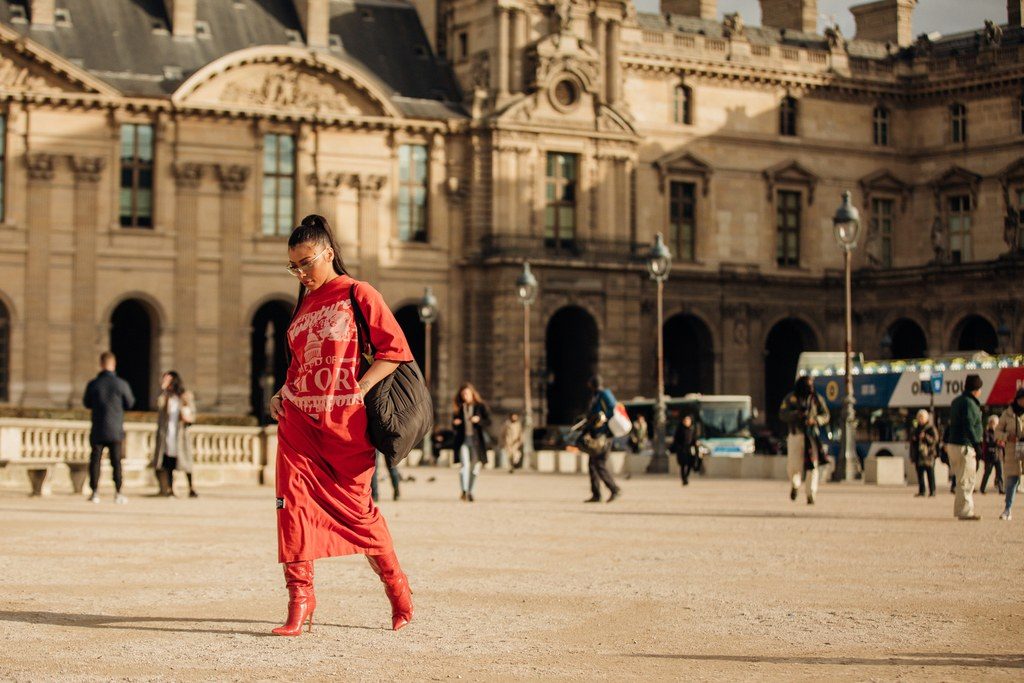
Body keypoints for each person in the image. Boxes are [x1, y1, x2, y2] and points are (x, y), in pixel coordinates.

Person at [268, 214, 414, 636]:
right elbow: (299, 362)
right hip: (298, 423)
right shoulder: (303, 303)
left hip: (344, 427)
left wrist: (360, 386)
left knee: (360, 513)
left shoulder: (358, 293)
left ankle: (397, 589)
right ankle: (300, 600)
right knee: (290, 510)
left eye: (306, 263)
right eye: (293, 267)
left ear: (328, 254)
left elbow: (395, 350)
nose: (300, 274)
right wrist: (281, 391)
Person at [82, 352, 135, 504]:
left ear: (101, 364)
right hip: (116, 429)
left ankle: (95, 492)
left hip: (98, 427)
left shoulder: (94, 384)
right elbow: (130, 403)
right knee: (116, 462)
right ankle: (118, 492)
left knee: (95, 461)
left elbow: (86, 403)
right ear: (114, 364)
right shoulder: (121, 384)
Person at [779, 376, 830, 505]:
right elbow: (782, 414)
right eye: (807, 385)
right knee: (793, 465)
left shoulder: (816, 399)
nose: (810, 388)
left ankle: (810, 494)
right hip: (796, 435)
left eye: (811, 385)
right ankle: (795, 484)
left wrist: (815, 420)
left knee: (812, 466)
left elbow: (826, 415)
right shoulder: (791, 398)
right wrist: (796, 414)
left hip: (811, 436)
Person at [152, 371, 197, 498]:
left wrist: (188, 417)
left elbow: (192, 414)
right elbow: (157, 404)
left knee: (186, 462)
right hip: (167, 434)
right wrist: (163, 390)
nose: (165, 382)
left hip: (180, 434)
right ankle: (170, 488)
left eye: (168, 380)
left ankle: (191, 488)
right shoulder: (165, 397)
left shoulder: (185, 396)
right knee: (168, 462)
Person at [945, 374, 983, 520]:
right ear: (976, 389)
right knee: (967, 480)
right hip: (964, 445)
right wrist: (976, 444)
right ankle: (965, 512)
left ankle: (960, 509)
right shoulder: (969, 403)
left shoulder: (956, 401)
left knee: (961, 479)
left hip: (953, 444)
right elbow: (969, 424)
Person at [580, 375, 621, 503]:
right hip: (597, 434)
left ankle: (614, 489)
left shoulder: (604, 394)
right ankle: (596, 494)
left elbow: (613, 409)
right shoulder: (597, 395)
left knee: (599, 463)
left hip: (604, 435)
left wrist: (601, 418)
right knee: (593, 464)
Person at [452, 383, 491, 501]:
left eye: (467, 393)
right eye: (463, 394)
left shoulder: (480, 406)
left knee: (475, 468)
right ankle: (464, 491)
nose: (465, 396)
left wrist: (478, 420)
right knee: (464, 466)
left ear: (472, 394)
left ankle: (470, 491)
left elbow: (489, 421)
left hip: (476, 442)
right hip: (463, 440)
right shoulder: (458, 407)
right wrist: (456, 423)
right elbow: (453, 424)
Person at [994, 388, 1024, 521]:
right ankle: (1007, 509)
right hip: (1013, 449)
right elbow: (997, 432)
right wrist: (1007, 436)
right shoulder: (1007, 414)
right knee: (1012, 479)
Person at [909, 409, 939, 497]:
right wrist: (914, 439)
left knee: (930, 474)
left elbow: (935, 440)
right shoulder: (916, 428)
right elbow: (912, 441)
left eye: (922, 417)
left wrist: (925, 437)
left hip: (928, 454)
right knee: (920, 474)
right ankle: (922, 491)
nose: (920, 419)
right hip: (918, 455)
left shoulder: (931, 428)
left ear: (926, 418)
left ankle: (932, 491)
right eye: (919, 417)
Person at [978, 415, 1004, 495]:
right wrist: (996, 442)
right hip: (990, 456)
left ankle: (1001, 489)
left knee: (1000, 473)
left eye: (995, 423)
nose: (994, 425)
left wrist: (1001, 443)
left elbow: (1002, 443)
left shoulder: (999, 432)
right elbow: (987, 442)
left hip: (998, 455)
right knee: (987, 473)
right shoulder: (986, 432)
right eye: (992, 423)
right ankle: (982, 488)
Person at [671, 413, 697, 486]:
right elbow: (676, 439)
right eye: (685, 420)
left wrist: (695, 445)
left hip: (689, 449)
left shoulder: (692, 429)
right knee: (683, 465)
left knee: (689, 464)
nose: (686, 422)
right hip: (681, 449)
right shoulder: (680, 429)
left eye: (688, 420)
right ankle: (684, 479)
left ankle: (686, 476)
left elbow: (694, 439)